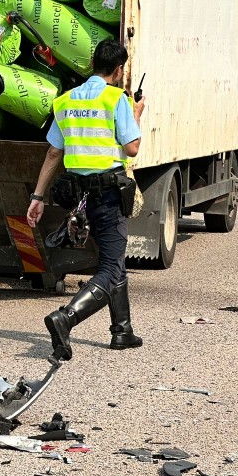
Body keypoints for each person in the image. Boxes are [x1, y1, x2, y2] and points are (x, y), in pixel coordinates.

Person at [26, 39, 146, 361]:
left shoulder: (65, 101)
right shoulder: (115, 99)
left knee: (112, 257)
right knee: (109, 266)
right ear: (118, 70)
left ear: (93, 64)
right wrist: (135, 114)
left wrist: (37, 196)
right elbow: (132, 147)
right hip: (108, 194)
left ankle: (122, 331)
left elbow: (54, 152)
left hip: (80, 197)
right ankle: (66, 319)